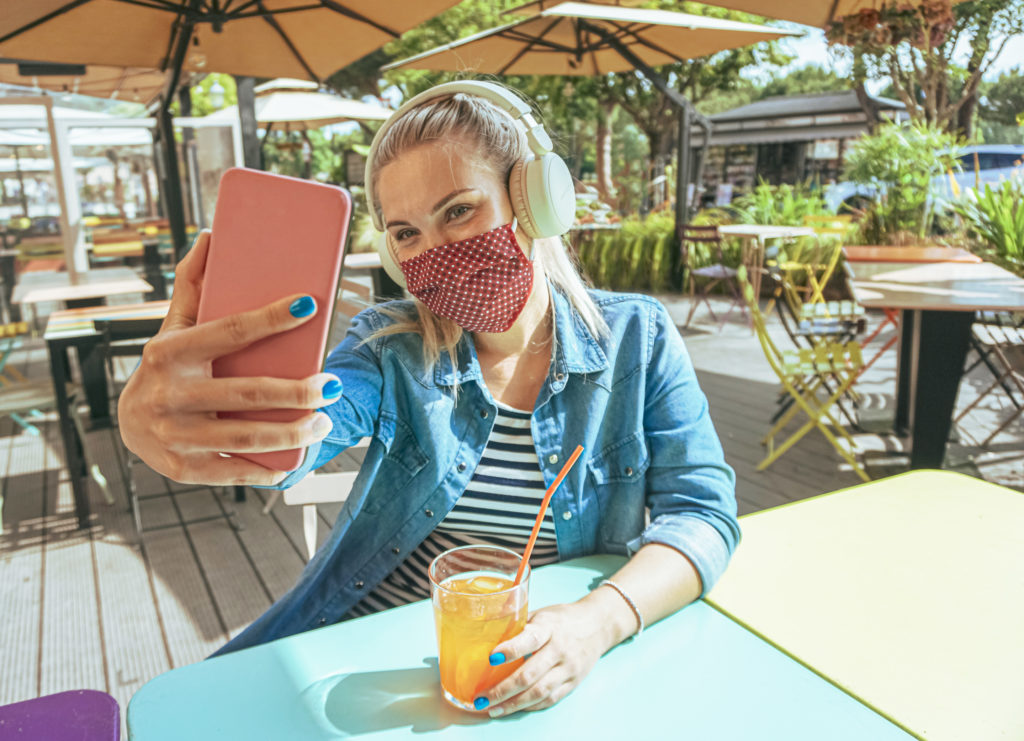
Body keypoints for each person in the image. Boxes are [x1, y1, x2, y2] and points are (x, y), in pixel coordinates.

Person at [118, 80, 739, 717]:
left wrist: (596, 623)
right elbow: (306, 434)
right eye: (407, 233)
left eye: (460, 211)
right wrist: (200, 421)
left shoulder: (638, 338)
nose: (438, 251)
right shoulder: (388, 347)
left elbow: (704, 516)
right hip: (357, 657)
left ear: (535, 201)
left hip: (531, 666)